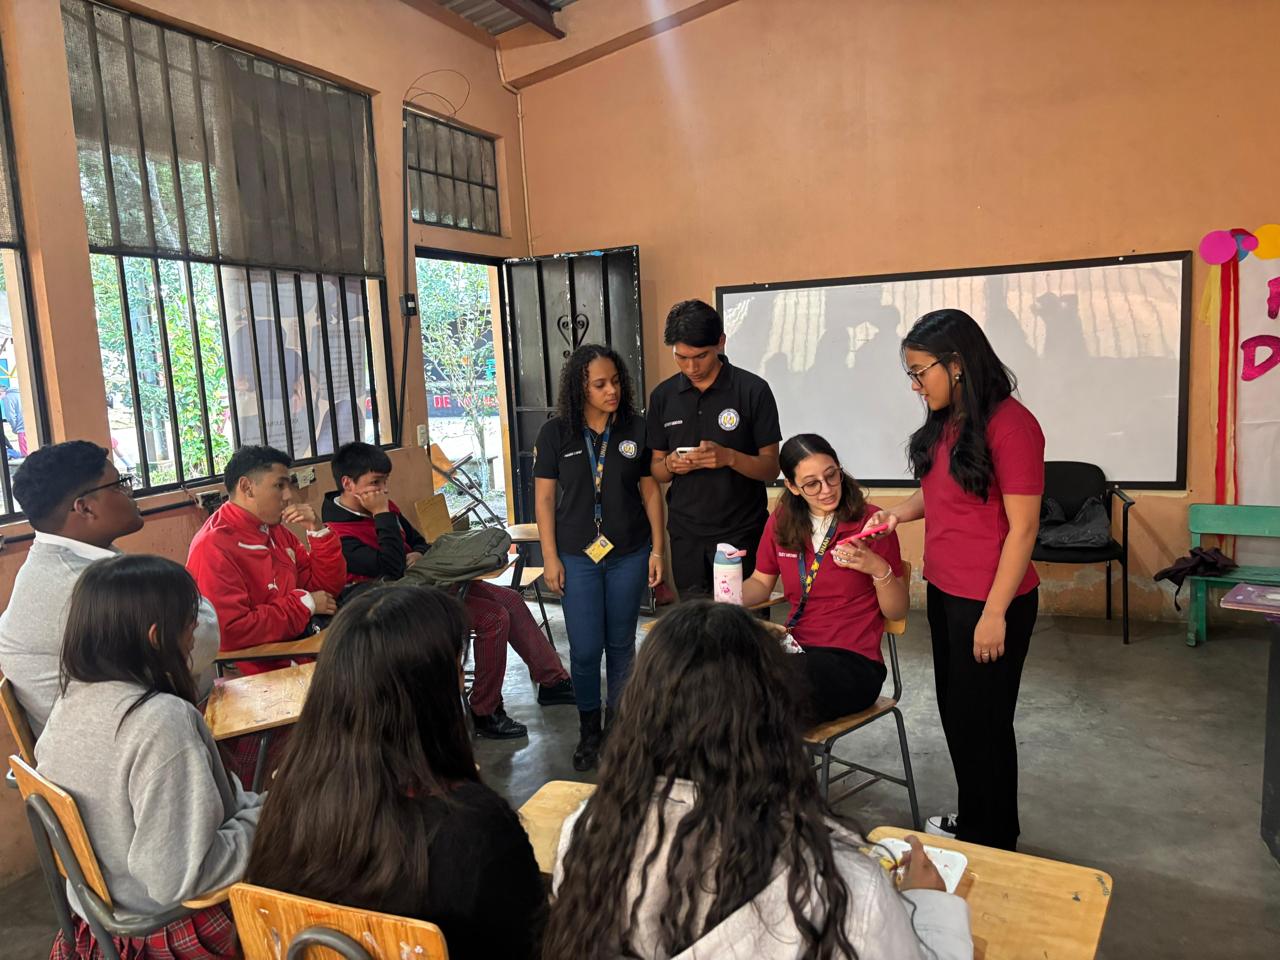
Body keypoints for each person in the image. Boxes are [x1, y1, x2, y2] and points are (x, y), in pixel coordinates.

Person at [545, 601, 971, 960]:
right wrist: (931, 904)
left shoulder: (589, 837)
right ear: (777, 715)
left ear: (641, 711)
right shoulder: (841, 887)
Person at [247, 585, 546, 960]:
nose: (460, 684)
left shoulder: (287, 806)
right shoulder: (476, 828)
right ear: (430, 694)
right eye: (457, 668)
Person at [863, 308, 1043, 851]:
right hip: (947, 592)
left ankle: (994, 839)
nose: (915, 385)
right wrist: (897, 514)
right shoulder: (947, 421)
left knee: (985, 724)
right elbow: (941, 492)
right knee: (960, 718)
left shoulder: (1012, 426)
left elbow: (1024, 528)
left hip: (990, 601)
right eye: (911, 373)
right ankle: (977, 821)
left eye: (921, 372)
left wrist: (994, 614)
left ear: (957, 363)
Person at [37, 555, 261, 959]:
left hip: (100, 924)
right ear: (156, 636)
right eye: (189, 621)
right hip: (174, 928)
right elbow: (181, 878)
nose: (195, 634)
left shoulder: (68, 703)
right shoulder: (160, 722)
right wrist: (272, 819)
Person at [320, 441, 574, 738]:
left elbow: (420, 543)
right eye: (375, 483)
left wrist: (416, 551)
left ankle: (553, 681)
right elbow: (390, 568)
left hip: (429, 584)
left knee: (511, 599)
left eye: (385, 481)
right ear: (347, 484)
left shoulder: (386, 508)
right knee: (493, 618)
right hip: (395, 608)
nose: (384, 490)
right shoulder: (338, 532)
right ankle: (485, 711)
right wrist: (382, 516)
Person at [0, 441, 218, 736]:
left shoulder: (60, 562)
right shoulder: (81, 586)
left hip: (136, 730)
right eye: (119, 485)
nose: (131, 492)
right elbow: (201, 640)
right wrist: (187, 604)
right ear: (85, 507)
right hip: (129, 747)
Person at [533, 344, 665, 770]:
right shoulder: (555, 434)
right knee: (586, 649)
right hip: (576, 556)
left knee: (621, 645)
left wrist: (657, 549)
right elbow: (544, 499)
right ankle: (589, 730)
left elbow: (650, 492)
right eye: (600, 384)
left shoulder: (635, 428)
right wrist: (550, 558)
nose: (613, 391)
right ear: (580, 388)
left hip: (630, 553)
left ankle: (619, 730)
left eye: (616, 381)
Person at [741, 433, 908, 726]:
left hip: (853, 661)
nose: (827, 489)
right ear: (792, 487)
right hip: (795, 648)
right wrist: (722, 600)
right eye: (812, 484)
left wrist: (877, 568)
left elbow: (897, 611)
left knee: (769, 693)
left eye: (832, 476)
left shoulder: (871, 522)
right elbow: (760, 583)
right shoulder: (781, 520)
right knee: (724, 675)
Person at [647, 299, 782, 597]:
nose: (691, 367)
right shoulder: (663, 397)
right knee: (694, 620)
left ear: (721, 342)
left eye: (701, 356)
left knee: (740, 619)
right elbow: (657, 469)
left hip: (741, 532)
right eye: (681, 357)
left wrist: (729, 457)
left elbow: (771, 467)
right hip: (686, 535)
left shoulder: (753, 390)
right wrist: (670, 465)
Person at [187, 445, 346, 676]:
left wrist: (318, 531)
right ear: (247, 487)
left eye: (289, 485)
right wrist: (303, 605)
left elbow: (326, 590)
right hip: (267, 668)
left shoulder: (275, 530)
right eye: (279, 485)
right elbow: (230, 631)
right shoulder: (213, 546)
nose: (289, 495)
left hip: (305, 645)